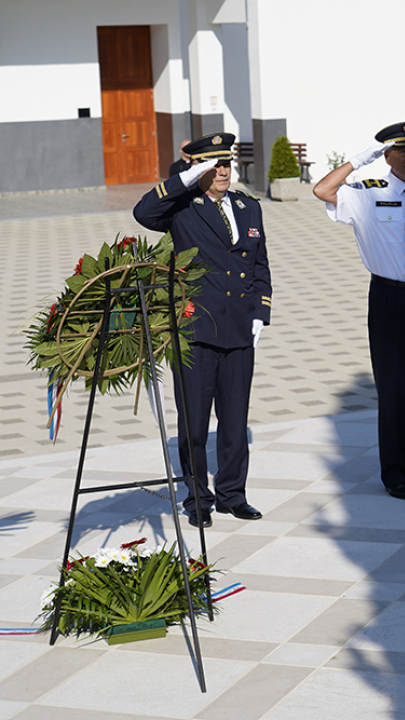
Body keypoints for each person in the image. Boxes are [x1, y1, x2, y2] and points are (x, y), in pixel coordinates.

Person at [313, 121, 405, 500]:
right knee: (395, 388)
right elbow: (322, 190)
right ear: (387, 156)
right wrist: (359, 160)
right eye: (402, 151)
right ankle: (394, 474)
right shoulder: (366, 193)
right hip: (390, 298)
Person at [133, 133, 271, 527]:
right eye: (214, 165)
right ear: (198, 169)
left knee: (234, 420)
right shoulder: (182, 209)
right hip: (195, 330)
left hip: (240, 329)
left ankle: (232, 494)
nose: (223, 171)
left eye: (226, 164)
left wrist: (261, 311)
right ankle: (197, 497)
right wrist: (184, 180)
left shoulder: (247, 207)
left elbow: (260, 263)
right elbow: (143, 213)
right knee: (194, 423)